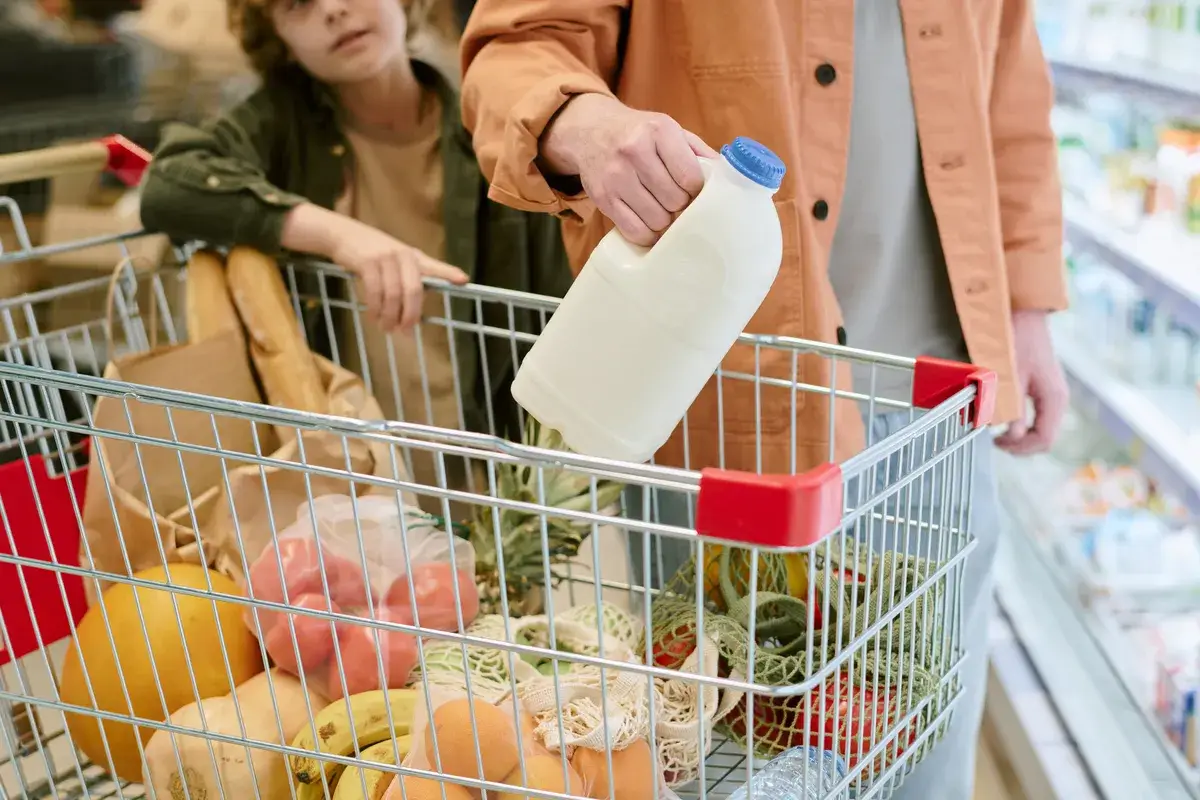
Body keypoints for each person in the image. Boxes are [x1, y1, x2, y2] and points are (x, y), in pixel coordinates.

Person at [458, 2, 1069, 798]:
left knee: (926, 750)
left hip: (942, 411)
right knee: (731, 751)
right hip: (733, 404)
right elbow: (516, 47)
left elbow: (1011, 93)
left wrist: (1026, 304)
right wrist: (584, 123)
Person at [138, 0, 572, 509]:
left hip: (493, 475)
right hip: (345, 487)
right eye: (297, 4)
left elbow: (554, 313)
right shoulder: (278, 126)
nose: (333, 10)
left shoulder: (490, 127)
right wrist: (340, 236)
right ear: (277, 35)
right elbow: (168, 185)